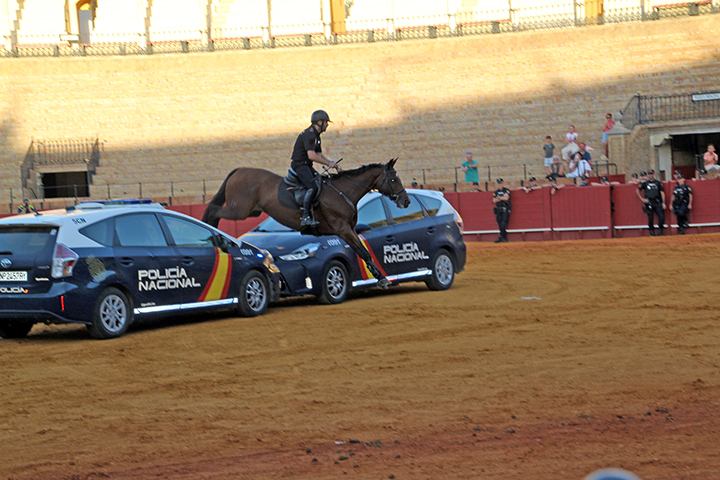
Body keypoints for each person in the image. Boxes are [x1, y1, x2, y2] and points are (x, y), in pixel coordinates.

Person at [290, 110, 340, 227]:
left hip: (306, 165)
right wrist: (328, 164)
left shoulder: (316, 136)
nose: (327, 125)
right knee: (312, 187)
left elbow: (319, 154)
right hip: (300, 165)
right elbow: (311, 155)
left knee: (320, 182)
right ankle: (306, 216)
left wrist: (331, 163)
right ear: (319, 122)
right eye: (326, 122)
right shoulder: (310, 134)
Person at [636, 169, 666, 236]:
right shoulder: (645, 183)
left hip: (657, 202)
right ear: (648, 175)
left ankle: (660, 232)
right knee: (650, 218)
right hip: (649, 203)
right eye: (649, 174)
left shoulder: (658, 183)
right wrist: (642, 199)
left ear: (654, 174)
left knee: (662, 217)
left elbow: (662, 193)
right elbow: (637, 190)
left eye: (651, 174)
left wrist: (664, 202)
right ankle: (651, 232)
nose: (650, 175)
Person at [492, 178, 511, 243]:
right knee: (500, 223)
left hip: (505, 208)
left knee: (503, 223)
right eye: (498, 183)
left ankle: (501, 237)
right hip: (498, 209)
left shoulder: (506, 190)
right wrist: (502, 197)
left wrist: (498, 198)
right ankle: (504, 237)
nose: (500, 184)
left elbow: (506, 198)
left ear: (502, 183)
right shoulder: (496, 192)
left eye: (500, 183)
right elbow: (494, 200)